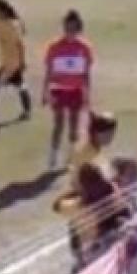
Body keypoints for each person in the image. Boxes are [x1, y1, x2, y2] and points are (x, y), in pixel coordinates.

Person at [42, 10, 96, 171]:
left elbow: (86, 74)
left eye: (73, 29)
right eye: (67, 28)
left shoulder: (85, 48)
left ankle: (71, 156)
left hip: (76, 91)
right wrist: (45, 91)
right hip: (58, 90)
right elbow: (49, 71)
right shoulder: (54, 47)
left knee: (74, 125)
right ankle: (53, 155)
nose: (69, 32)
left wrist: (87, 95)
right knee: (58, 124)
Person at [54, 162, 133, 271]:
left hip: (96, 248)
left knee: (74, 223)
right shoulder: (111, 188)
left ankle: (81, 264)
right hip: (117, 235)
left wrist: (74, 190)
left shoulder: (79, 204)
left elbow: (56, 206)